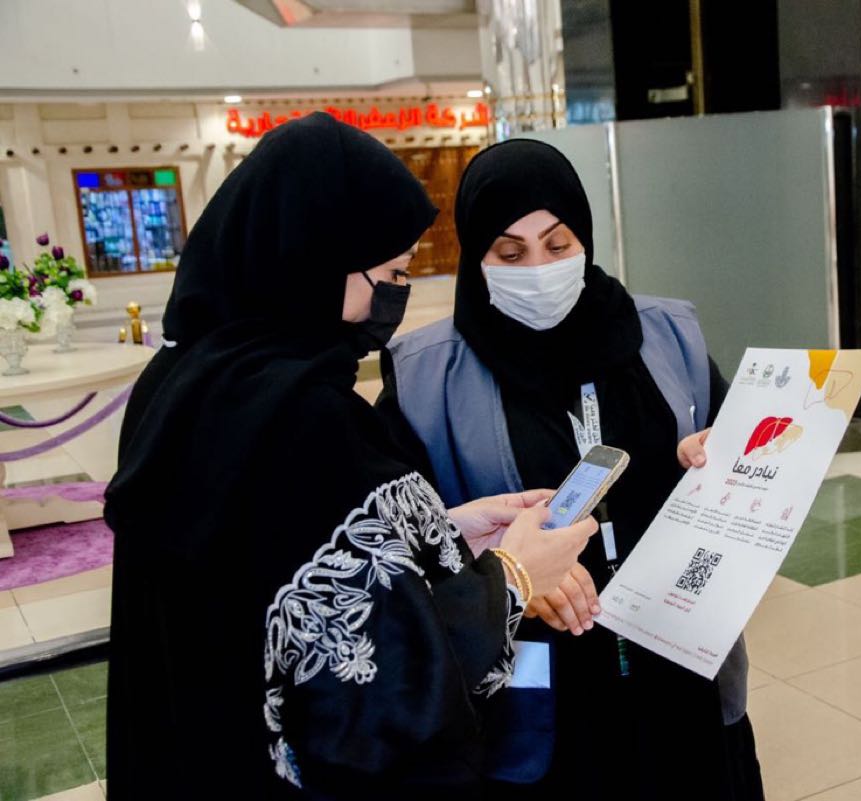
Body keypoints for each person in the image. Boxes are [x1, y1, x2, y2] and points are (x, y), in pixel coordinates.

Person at [103, 114, 597, 800]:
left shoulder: (183, 382)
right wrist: (512, 577)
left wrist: (441, 533)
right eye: (391, 273)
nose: (395, 295)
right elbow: (380, 689)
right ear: (313, 257)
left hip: (201, 745)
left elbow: (276, 559)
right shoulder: (305, 415)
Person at [377, 139, 764, 800]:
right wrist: (507, 574)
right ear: (476, 256)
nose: (539, 269)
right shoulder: (424, 379)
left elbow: (744, 466)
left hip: (678, 669)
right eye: (510, 254)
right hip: (543, 706)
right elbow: (394, 551)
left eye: (558, 245)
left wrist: (712, 464)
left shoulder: (666, 335)